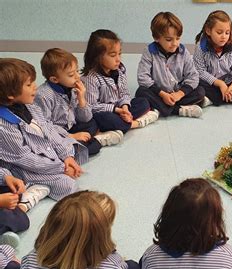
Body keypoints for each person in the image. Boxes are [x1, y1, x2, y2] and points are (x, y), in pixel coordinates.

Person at [0, 58, 87, 209]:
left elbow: (49, 130)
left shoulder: (30, 106)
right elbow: (24, 158)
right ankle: (35, 190)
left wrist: (66, 156)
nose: (35, 87)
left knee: (76, 151)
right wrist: (61, 167)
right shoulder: (4, 125)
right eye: (29, 84)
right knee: (68, 185)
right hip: (23, 168)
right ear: (10, 95)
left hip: (46, 158)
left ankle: (40, 189)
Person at [35, 48, 124, 156]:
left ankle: (90, 139)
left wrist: (82, 98)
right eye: (71, 75)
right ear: (54, 79)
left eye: (77, 71)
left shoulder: (71, 88)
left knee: (92, 123)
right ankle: (97, 140)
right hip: (56, 134)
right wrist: (72, 137)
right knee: (82, 149)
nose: (78, 76)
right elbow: (45, 126)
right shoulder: (43, 96)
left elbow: (85, 118)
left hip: (71, 127)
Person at [82, 29, 159, 133]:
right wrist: (116, 110)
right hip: (105, 112)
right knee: (106, 119)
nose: (118, 59)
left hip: (120, 109)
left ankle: (123, 124)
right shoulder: (91, 78)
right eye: (113, 55)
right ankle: (134, 123)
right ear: (97, 57)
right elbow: (92, 106)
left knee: (143, 102)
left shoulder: (120, 70)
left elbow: (124, 93)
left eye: (119, 53)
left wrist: (125, 108)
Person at [136, 12, 205, 118]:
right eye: (169, 40)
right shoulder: (149, 51)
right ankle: (178, 110)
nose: (175, 43)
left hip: (177, 92)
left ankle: (162, 108)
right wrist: (162, 94)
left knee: (200, 91)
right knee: (141, 92)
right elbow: (143, 77)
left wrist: (179, 94)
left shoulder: (183, 51)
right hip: (158, 93)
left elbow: (193, 76)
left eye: (178, 38)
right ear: (156, 38)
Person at [193, 10, 232, 106]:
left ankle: (214, 99)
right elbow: (199, 71)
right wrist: (220, 83)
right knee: (197, 85)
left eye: (227, 33)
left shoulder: (231, 46)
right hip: (211, 84)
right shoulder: (201, 47)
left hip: (228, 82)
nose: (224, 37)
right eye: (219, 32)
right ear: (208, 31)